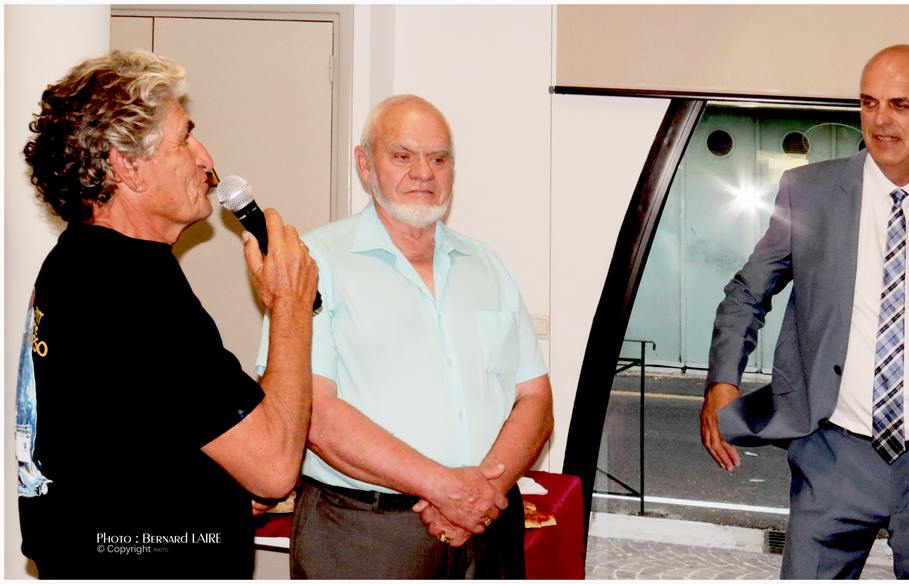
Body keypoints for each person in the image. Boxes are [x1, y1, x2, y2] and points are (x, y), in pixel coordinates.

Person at [701, 45, 909, 579]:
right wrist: (722, 380)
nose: (880, 120)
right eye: (869, 103)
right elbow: (747, 292)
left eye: (900, 104)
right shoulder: (809, 192)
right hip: (833, 459)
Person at [16, 50, 318, 579]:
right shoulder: (131, 287)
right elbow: (273, 468)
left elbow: (130, 444)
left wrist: (215, 493)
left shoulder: (77, 262)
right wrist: (290, 305)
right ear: (127, 166)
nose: (206, 160)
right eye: (185, 139)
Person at [256, 94, 554, 579]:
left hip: (489, 525)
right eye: (402, 156)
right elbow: (313, 413)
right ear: (364, 164)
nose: (423, 173)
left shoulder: (489, 266)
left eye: (438, 159)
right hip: (364, 534)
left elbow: (535, 397)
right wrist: (445, 489)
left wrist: (480, 494)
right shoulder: (312, 262)